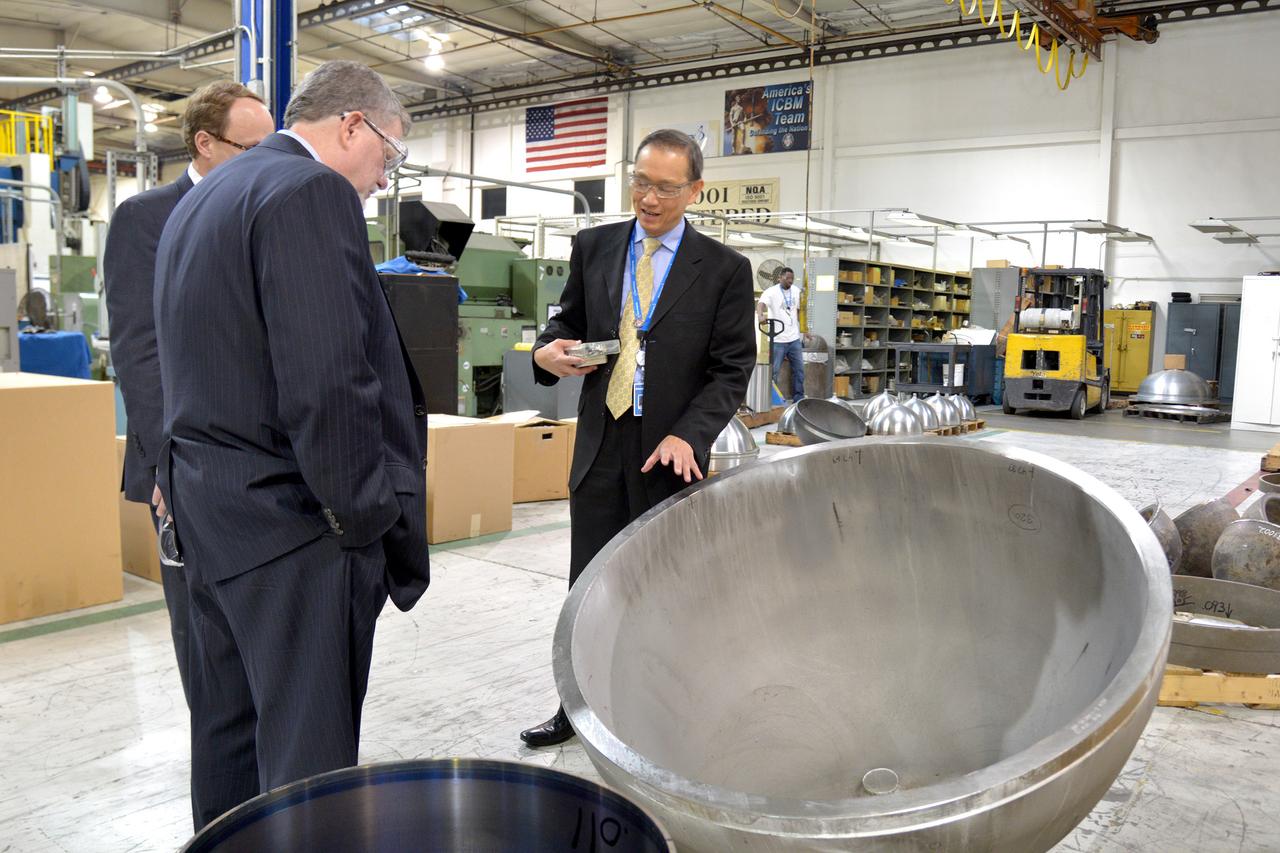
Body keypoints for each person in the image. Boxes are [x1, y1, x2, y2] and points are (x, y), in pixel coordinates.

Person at [153, 60, 429, 829]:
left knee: (230, 742)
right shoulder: (310, 192)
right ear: (352, 125)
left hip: (210, 521)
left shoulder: (203, 200)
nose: (384, 177)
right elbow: (327, 384)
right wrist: (363, 520)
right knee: (308, 769)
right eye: (389, 153)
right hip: (293, 531)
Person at [520, 129, 756, 748]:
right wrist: (547, 351)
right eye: (641, 183)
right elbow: (566, 319)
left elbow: (732, 368)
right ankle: (577, 709)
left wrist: (689, 435)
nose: (649, 199)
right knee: (588, 587)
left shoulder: (724, 270)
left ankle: (664, 717)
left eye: (666, 188)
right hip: (602, 440)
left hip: (669, 453)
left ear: (695, 190)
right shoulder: (595, 246)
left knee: (666, 586)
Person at [103, 81, 274, 704]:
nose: (265, 162)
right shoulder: (145, 218)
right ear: (204, 143)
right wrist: (166, 467)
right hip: (183, 469)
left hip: (257, 465)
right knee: (209, 650)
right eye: (252, 149)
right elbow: (140, 351)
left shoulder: (262, 212)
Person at [757, 266, 805, 402]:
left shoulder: (796, 291)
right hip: (778, 339)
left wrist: (804, 329)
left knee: (799, 370)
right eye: (787, 278)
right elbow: (761, 304)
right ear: (780, 278)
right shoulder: (771, 292)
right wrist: (761, 316)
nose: (790, 281)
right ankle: (770, 399)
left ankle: (799, 399)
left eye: (792, 278)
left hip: (794, 339)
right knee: (774, 371)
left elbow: (799, 311)